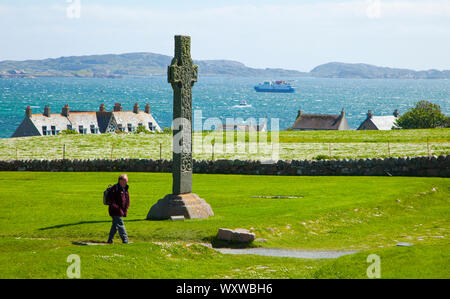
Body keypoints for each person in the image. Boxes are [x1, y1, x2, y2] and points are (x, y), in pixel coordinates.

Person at [107, 174, 130, 244]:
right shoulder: (114, 188)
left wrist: (125, 210)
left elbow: (127, 200)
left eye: (126, 181)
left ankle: (110, 240)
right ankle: (125, 240)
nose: (126, 182)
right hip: (114, 211)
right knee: (120, 225)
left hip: (121, 211)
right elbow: (110, 201)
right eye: (125, 181)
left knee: (115, 226)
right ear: (120, 181)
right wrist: (118, 209)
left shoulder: (125, 189)